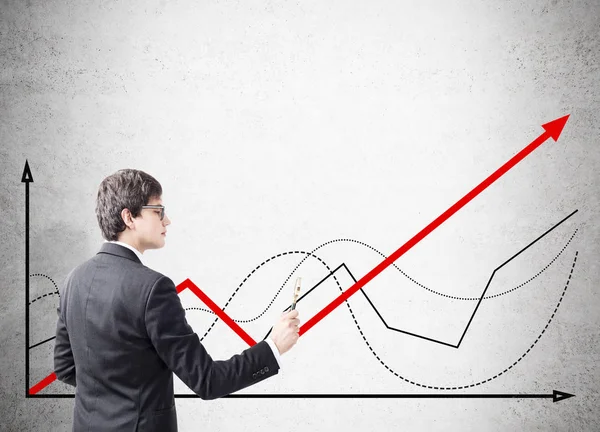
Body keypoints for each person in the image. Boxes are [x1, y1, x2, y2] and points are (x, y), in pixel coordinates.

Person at [53, 169, 300, 431]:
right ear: (129, 217)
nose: (167, 220)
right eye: (158, 211)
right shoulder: (153, 289)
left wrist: (113, 396)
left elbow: (65, 368)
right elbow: (208, 381)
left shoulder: (73, 281)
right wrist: (273, 347)